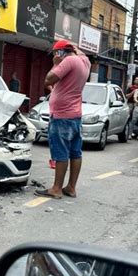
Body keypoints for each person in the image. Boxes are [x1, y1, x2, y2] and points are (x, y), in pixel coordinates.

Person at [35, 40, 91, 199]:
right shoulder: (84, 61)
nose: (54, 56)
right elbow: (80, 52)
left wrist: (55, 64)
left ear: (60, 53)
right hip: (75, 114)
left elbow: (48, 79)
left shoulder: (69, 61)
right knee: (75, 152)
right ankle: (71, 187)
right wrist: (74, 48)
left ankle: (56, 188)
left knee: (61, 152)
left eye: (55, 53)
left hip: (62, 115)